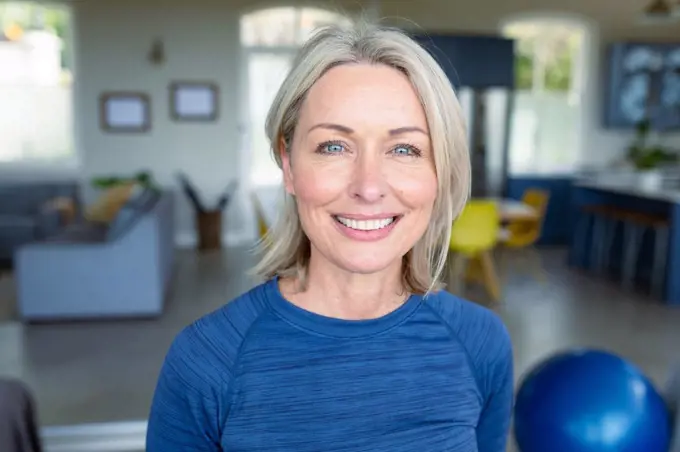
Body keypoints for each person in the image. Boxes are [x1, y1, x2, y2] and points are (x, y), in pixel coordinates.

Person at [146, 20, 514, 452]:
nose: (369, 186)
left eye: (405, 149)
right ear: (288, 165)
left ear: (440, 173)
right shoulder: (206, 360)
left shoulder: (481, 345)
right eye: (334, 147)